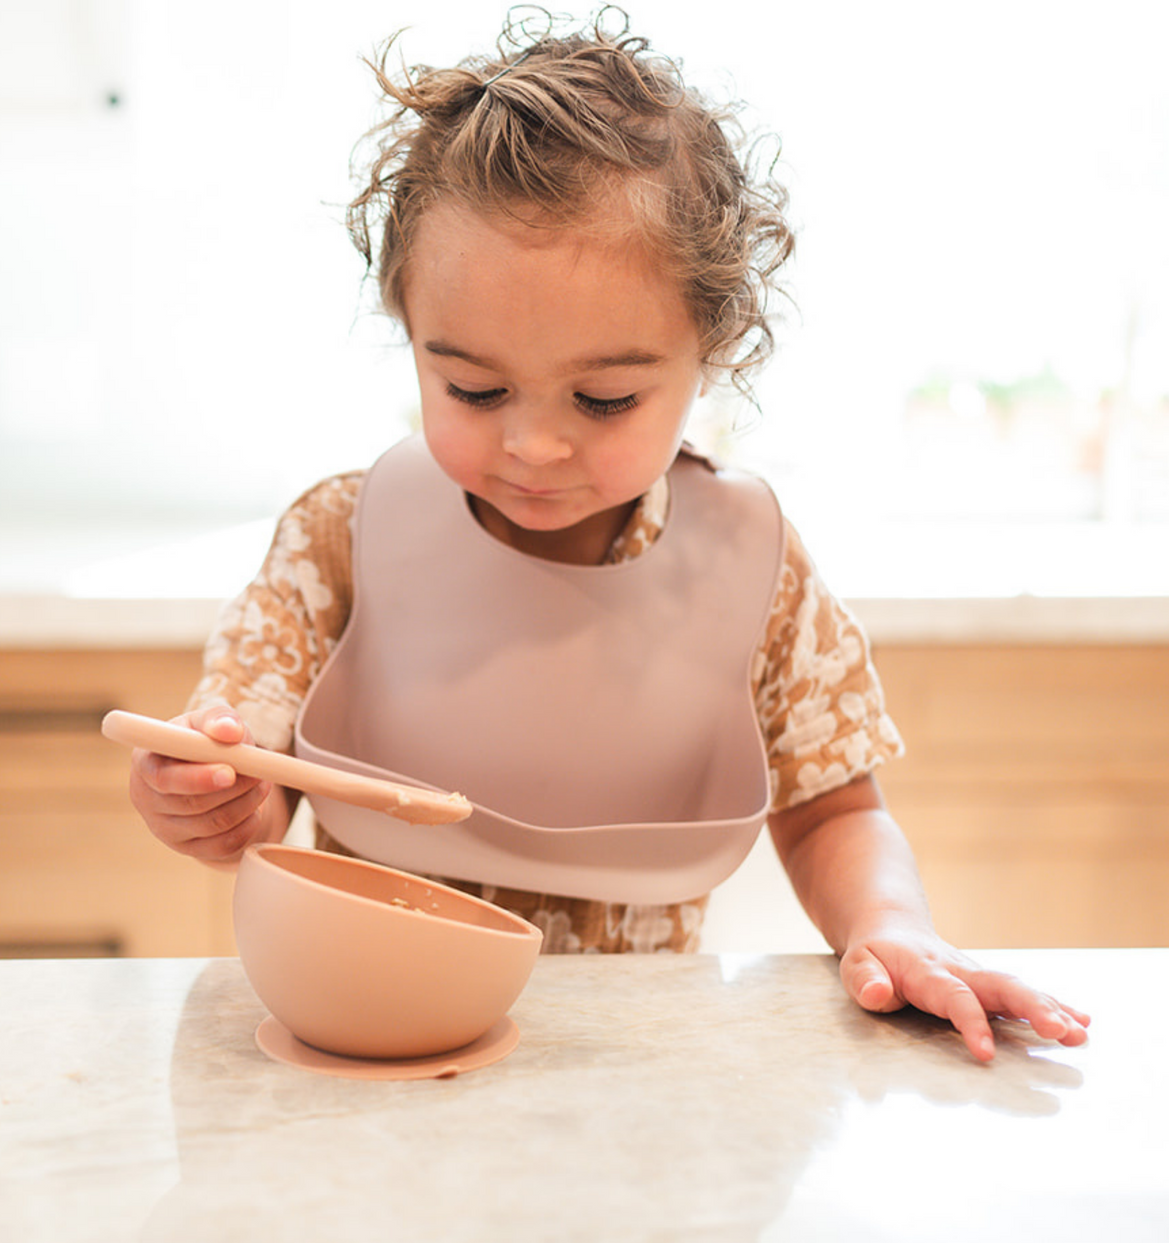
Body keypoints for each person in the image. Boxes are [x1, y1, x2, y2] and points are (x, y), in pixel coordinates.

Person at [128, 10, 1090, 1062]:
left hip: (630, 1084)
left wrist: (890, 924)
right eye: (474, 387)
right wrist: (221, 799)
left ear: (705, 354)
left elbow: (828, 814)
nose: (534, 445)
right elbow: (248, 762)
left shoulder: (752, 572)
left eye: (603, 398)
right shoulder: (338, 542)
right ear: (408, 332)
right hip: (377, 1070)